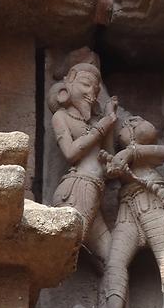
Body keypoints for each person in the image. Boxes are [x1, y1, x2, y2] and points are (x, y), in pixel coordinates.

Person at [101, 115, 164, 308]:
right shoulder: (121, 155)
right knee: (115, 262)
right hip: (127, 208)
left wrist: (131, 152)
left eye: (126, 126)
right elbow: (109, 170)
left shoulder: (145, 152)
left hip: (151, 200)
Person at [48, 62, 117, 268]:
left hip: (95, 189)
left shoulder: (95, 123)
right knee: (66, 252)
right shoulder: (61, 117)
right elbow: (70, 153)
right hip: (78, 189)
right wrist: (102, 128)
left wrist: (109, 119)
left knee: (114, 259)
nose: (92, 93)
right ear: (68, 82)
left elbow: (108, 158)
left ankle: (107, 301)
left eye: (96, 89)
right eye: (86, 85)